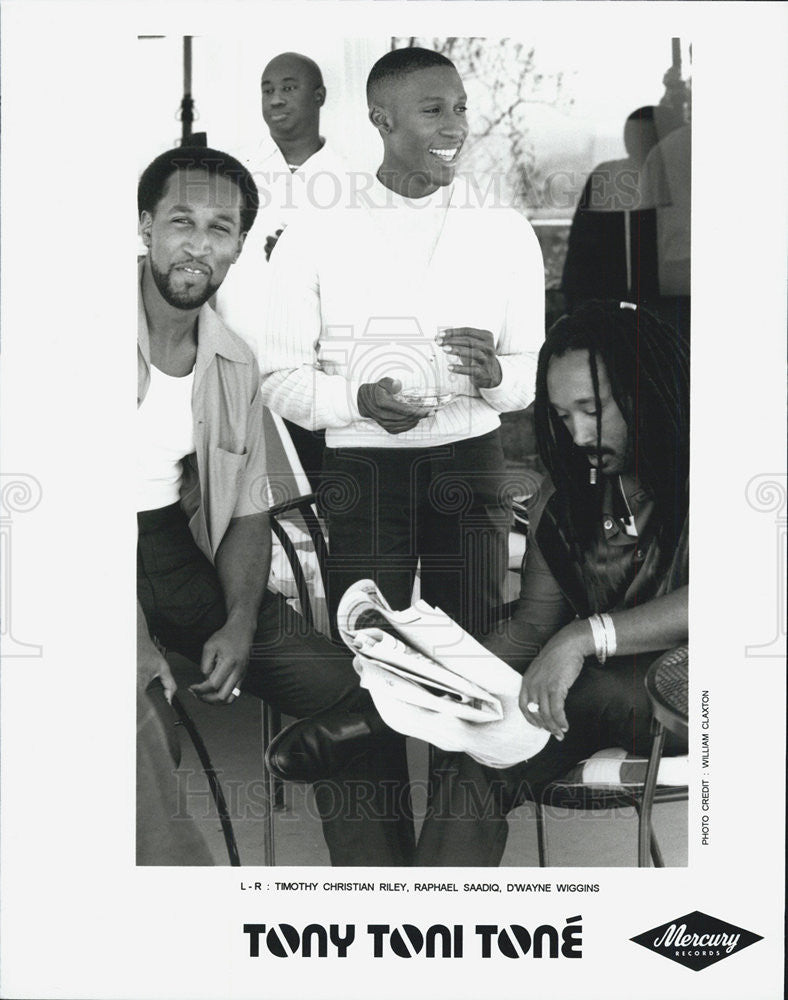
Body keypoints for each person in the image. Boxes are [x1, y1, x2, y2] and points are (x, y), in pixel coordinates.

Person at [136, 146, 413, 866]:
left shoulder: (233, 362)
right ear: (146, 226)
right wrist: (136, 648)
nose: (199, 244)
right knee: (139, 735)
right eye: (181, 221)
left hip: (173, 547)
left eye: (220, 228)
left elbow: (250, 515)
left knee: (350, 695)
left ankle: (380, 900)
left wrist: (235, 621)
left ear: (237, 248)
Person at [259, 46, 545, 638]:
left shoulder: (506, 231)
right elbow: (278, 377)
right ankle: (376, 736)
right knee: (372, 648)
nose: (455, 127)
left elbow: (528, 374)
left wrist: (496, 376)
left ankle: (460, 738)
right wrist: (355, 403)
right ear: (381, 120)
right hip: (364, 469)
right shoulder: (315, 232)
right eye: (434, 109)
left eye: (461, 108)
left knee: (474, 649)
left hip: (472, 466)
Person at [411, 299, 689, 864]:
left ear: (646, 389)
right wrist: (438, 673)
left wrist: (581, 638)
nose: (579, 433)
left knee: (560, 691)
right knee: (484, 752)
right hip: (596, 698)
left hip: (706, 699)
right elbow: (533, 628)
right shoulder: (561, 505)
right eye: (563, 416)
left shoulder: (719, 471)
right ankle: (427, 924)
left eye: (592, 408)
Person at [215, 52, 348, 489]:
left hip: (316, 373)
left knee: (316, 498)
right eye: (267, 89)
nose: (275, 99)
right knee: (249, 501)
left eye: (288, 88)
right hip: (241, 365)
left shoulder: (352, 179)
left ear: (319, 96)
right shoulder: (233, 170)